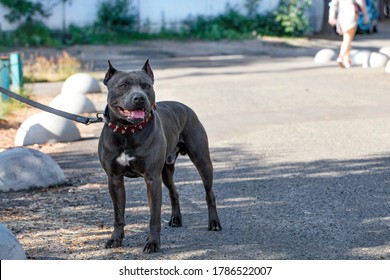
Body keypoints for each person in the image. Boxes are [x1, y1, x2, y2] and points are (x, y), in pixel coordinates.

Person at [328, 0, 369, 68]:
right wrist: (365, 15)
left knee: (347, 38)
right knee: (348, 38)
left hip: (342, 16)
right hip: (351, 14)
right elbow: (361, 2)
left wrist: (331, 16)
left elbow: (333, 4)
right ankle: (341, 56)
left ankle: (347, 60)